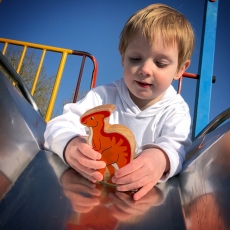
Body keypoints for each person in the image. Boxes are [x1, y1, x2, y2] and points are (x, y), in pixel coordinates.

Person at [44, 3, 194, 201]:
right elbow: (60, 123)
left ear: (179, 69)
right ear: (123, 57)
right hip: (91, 191)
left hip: (141, 204)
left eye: (160, 63)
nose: (146, 69)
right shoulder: (103, 97)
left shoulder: (176, 110)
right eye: (135, 58)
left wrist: (160, 159)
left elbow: (177, 145)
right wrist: (70, 144)